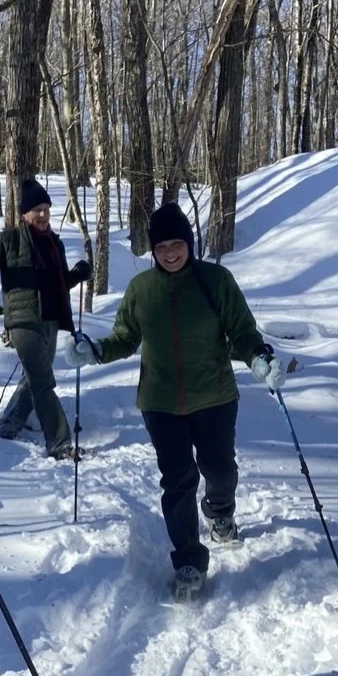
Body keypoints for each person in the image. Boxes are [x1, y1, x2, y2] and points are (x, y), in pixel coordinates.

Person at [62, 201, 284, 600]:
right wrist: (95, 350)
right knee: (178, 480)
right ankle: (188, 560)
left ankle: (220, 512)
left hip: (214, 396)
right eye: (161, 246)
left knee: (219, 469)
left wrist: (258, 358)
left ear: (189, 243)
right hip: (160, 402)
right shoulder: (141, 289)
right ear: (152, 250)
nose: (169, 253)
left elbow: (242, 331)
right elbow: (125, 338)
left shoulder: (216, 281)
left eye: (176, 244)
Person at [0, 177, 91, 460]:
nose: (43, 214)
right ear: (25, 213)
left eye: (46, 209)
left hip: (50, 320)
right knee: (43, 381)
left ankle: (6, 426)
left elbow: (59, 284)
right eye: (37, 209)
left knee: (33, 379)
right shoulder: (9, 240)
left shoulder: (55, 243)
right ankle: (60, 444)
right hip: (23, 321)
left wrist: (76, 275)